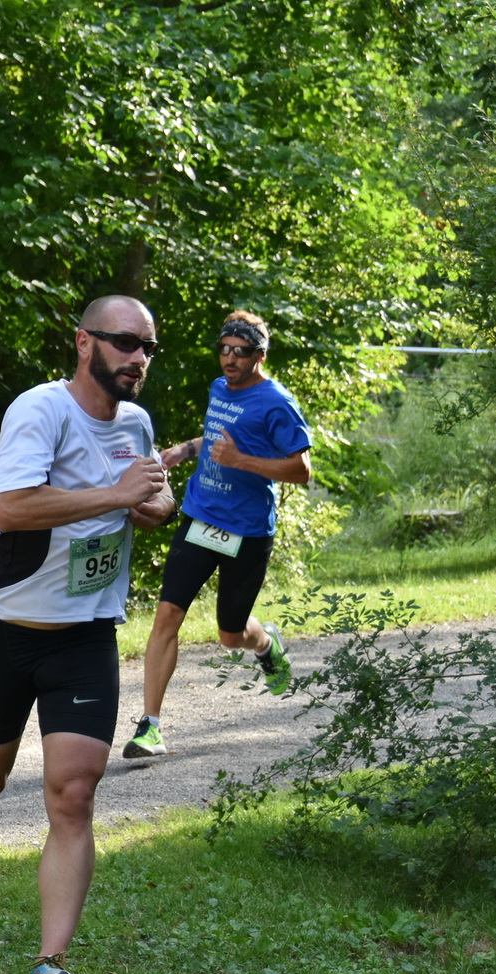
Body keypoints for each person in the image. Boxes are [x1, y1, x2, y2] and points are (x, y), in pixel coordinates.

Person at [0, 295, 173, 974]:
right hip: (10, 629)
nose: (138, 358)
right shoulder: (41, 410)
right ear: (84, 343)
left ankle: (48, 966)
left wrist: (152, 504)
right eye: (125, 342)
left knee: (74, 791)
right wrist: (113, 495)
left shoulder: (139, 424)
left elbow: (153, 494)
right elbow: (11, 508)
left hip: (86, 634)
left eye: (149, 347)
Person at [123, 310, 313, 760]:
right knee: (167, 614)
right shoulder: (218, 388)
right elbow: (217, 438)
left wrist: (241, 461)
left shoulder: (277, 403)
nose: (229, 359)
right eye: (223, 350)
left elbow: (301, 470)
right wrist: (188, 449)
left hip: (247, 531)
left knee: (230, 635)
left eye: (240, 352)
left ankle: (265, 643)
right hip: (201, 516)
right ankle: (150, 726)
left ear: (259, 355)